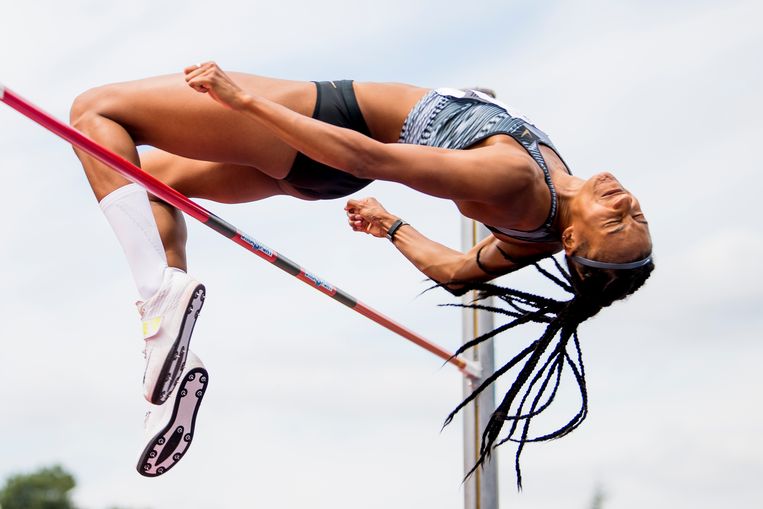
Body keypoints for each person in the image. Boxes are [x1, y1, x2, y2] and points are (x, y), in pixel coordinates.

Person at [69, 62, 653, 480]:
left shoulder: (515, 181)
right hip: (322, 167)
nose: (623, 202)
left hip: (326, 130)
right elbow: (456, 271)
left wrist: (247, 103)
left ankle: (157, 300)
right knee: (157, 186)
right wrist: (394, 227)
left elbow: (370, 158)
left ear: (576, 241)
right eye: (635, 214)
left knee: (95, 110)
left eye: (616, 222)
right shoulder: (541, 231)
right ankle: (167, 359)